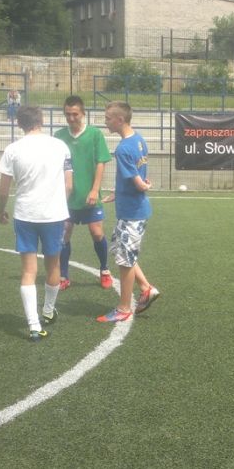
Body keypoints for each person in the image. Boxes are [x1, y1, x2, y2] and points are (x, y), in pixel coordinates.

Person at [0, 106, 73, 341]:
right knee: (53, 266)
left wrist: (1, 211)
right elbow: (69, 185)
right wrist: (60, 206)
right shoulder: (60, 146)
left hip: (25, 215)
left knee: (29, 271)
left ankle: (33, 325)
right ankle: (48, 311)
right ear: (42, 120)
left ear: (18, 123)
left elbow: (3, 190)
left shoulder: (12, 149)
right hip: (53, 216)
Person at [96, 101, 160, 322]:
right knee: (120, 250)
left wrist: (145, 186)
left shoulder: (123, 149)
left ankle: (124, 309)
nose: (105, 122)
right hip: (132, 210)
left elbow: (139, 183)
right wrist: (119, 192)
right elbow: (138, 175)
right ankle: (146, 288)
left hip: (133, 212)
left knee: (125, 261)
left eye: (108, 118)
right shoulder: (139, 139)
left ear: (120, 120)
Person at [54, 96, 113, 290]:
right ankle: (63, 275)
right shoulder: (59, 136)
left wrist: (95, 189)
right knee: (64, 233)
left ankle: (104, 270)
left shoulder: (95, 134)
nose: (71, 118)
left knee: (97, 233)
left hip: (90, 196)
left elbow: (101, 162)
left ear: (83, 113)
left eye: (75, 114)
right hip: (66, 197)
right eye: (67, 114)